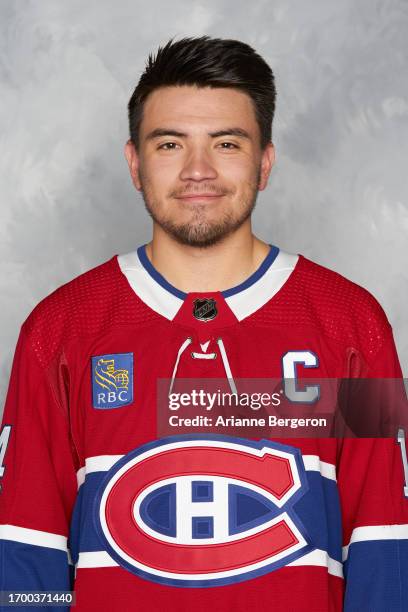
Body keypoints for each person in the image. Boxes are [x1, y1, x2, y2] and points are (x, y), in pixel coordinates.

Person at [0, 36, 407, 612]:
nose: (198, 170)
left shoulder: (351, 325)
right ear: (135, 162)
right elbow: (26, 554)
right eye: (170, 144)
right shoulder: (60, 330)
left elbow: (384, 543)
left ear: (265, 162)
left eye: (226, 143)